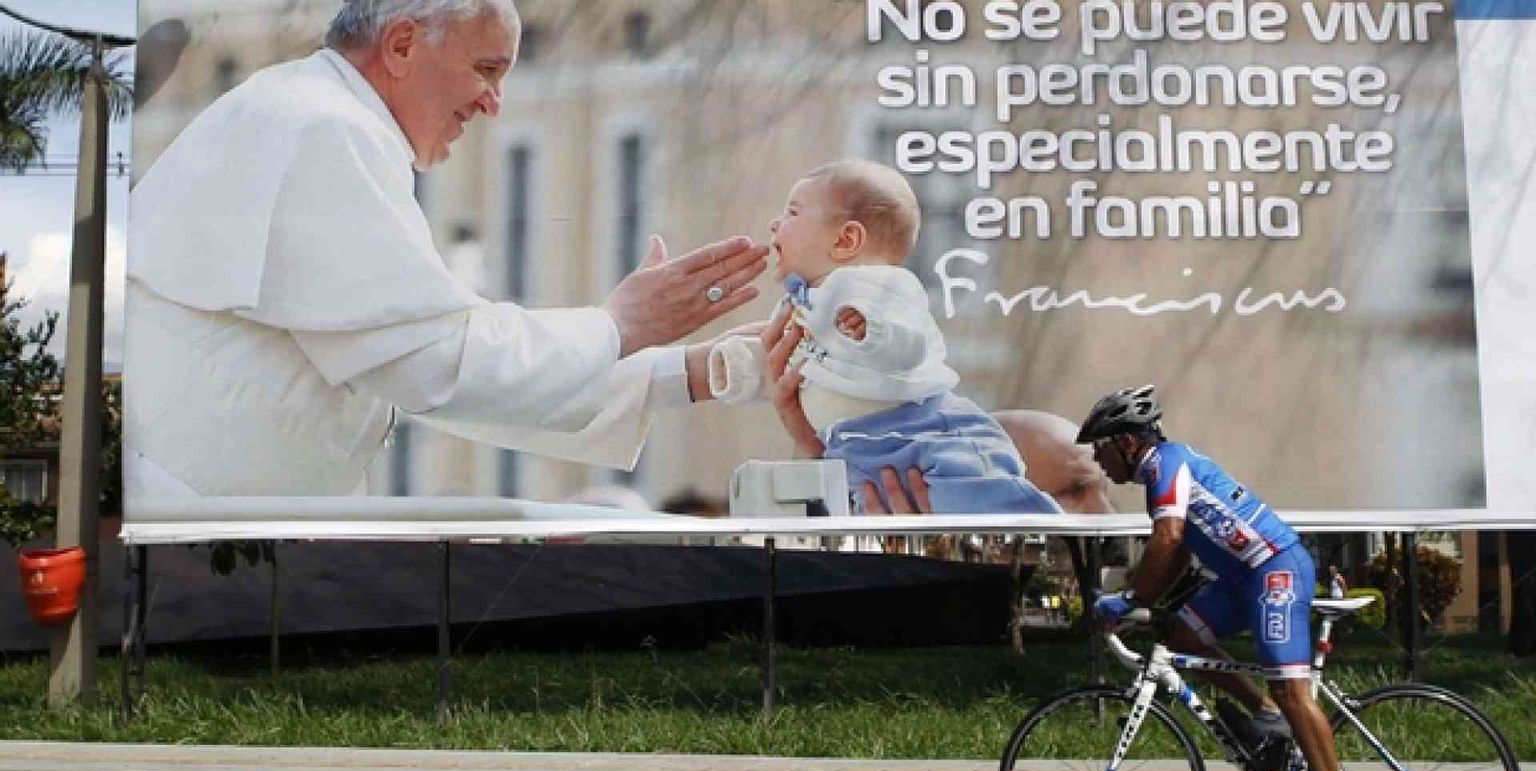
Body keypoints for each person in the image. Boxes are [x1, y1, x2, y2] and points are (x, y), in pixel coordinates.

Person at [123, 0, 766, 501]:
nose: (494, 103)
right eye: (486, 69)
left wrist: (682, 374)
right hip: (195, 541)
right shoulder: (323, 127)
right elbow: (435, 363)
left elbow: (417, 368)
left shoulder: (314, 113)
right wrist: (620, 326)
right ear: (402, 44)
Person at [1079, 384, 1366, 771]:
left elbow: (1168, 539)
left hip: (1274, 568)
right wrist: (1136, 601)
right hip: (1241, 576)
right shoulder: (1162, 473)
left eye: (1100, 448)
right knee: (1181, 635)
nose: (1098, 460)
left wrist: (1129, 597)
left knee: (1291, 688)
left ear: (1127, 442)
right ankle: (1268, 718)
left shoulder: (1164, 464)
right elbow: (1180, 551)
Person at [713, 160, 1060, 515]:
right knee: (866, 517)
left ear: (846, 240)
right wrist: (730, 364)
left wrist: (871, 328)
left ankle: (1051, 531)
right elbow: (771, 351)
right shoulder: (803, 303)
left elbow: (910, 343)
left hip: (918, 428)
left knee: (969, 492)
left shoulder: (878, 287)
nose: (775, 223)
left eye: (792, 212)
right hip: (854, 447)